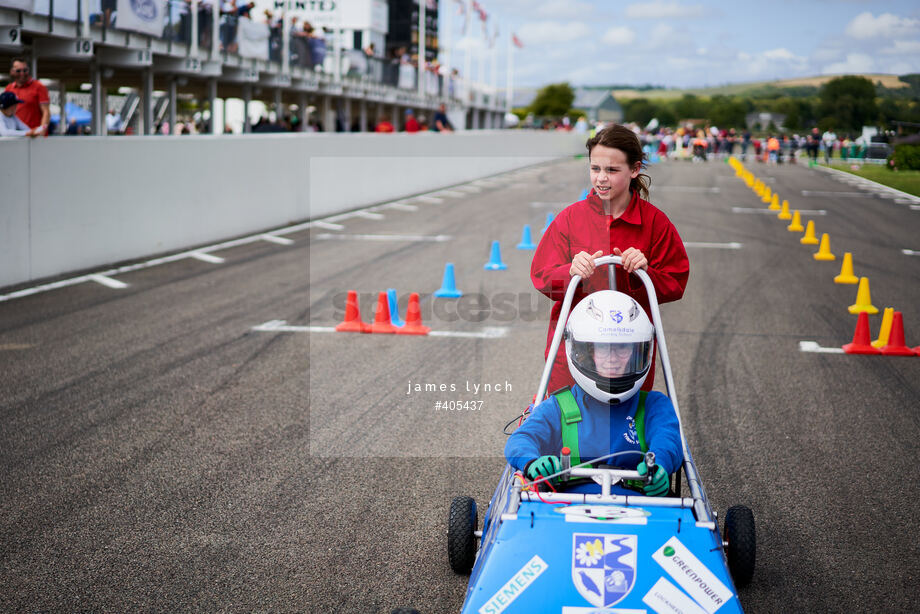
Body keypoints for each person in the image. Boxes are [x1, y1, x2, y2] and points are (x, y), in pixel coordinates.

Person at [531, 124, 689, 397]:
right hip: (574, 348)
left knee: (626, 431)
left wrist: (643, 273)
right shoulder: (571, 218)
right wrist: (571, 271)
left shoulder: (654, 222)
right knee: (569, 430)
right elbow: (542, 277)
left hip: (629, 356)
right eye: (595, 169)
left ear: (635, 169)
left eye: (612, 170)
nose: (601, 179)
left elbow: (676, 281)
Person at [505, 290, 682, 496]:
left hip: (640, 508)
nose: (613, 358)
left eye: (623, 348)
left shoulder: (654, 405)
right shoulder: (560, 406)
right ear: (586, 352)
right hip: (565, 509)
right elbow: (520, 440)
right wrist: (532, 462)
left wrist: (659, 467)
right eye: (603, 348)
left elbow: (668, 440)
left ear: (638, 351)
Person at [4, 58, 50, 138]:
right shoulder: (9, 88)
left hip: (34, 138)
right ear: (12, 71)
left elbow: (46, 112)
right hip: (17, 137)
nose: (22, 73)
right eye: (18, 71)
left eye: (25, 70)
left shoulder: (39, 87)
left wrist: (42, 132)